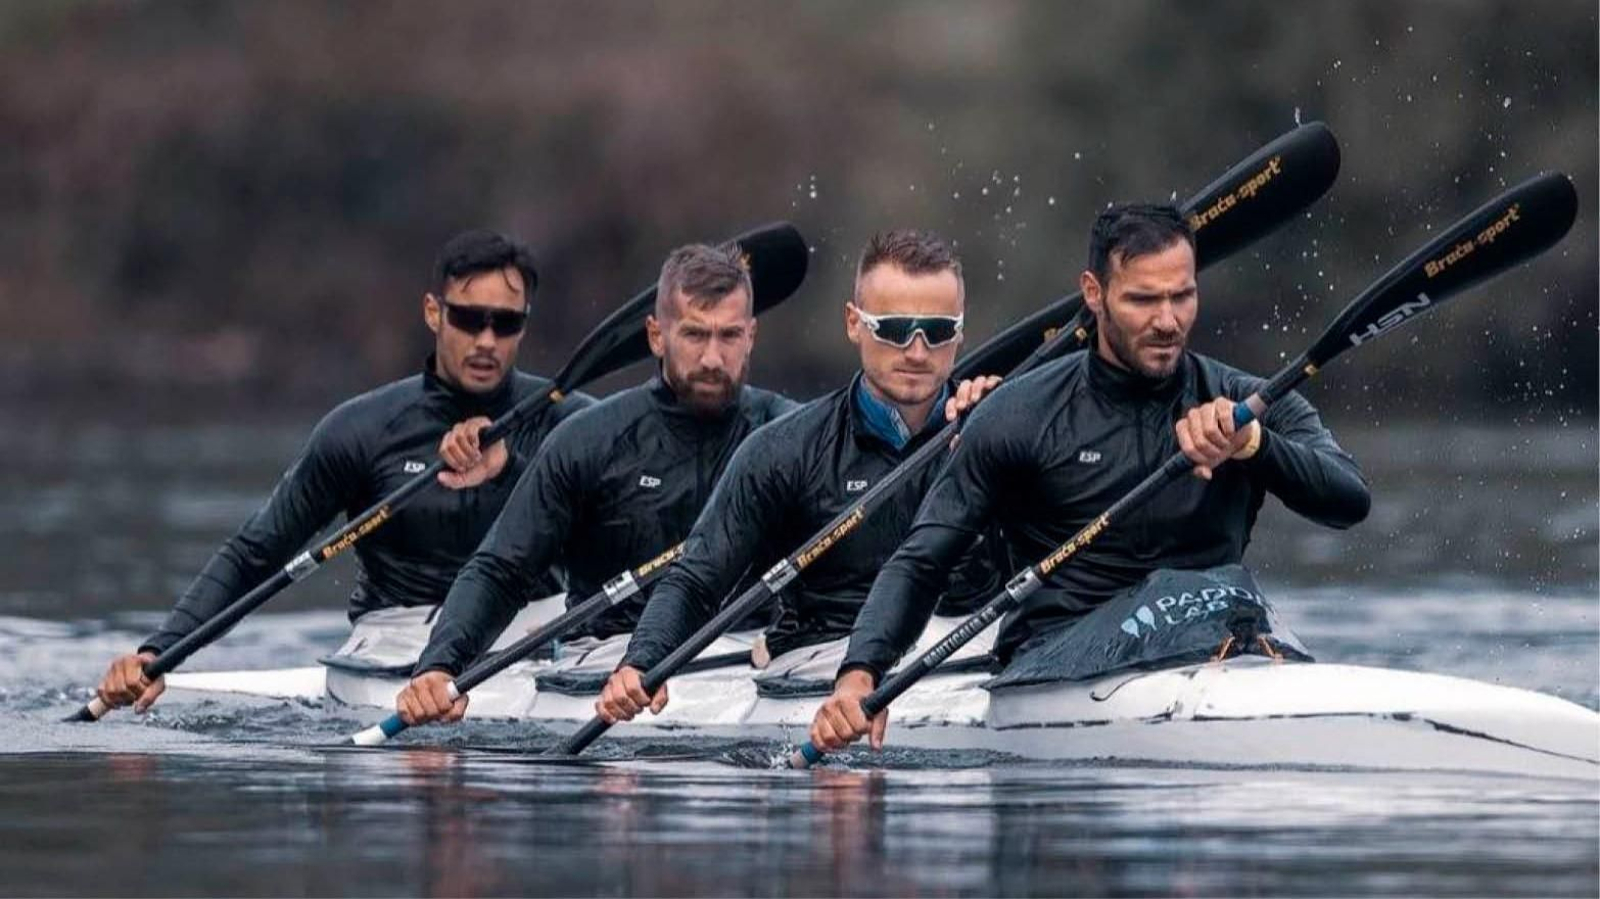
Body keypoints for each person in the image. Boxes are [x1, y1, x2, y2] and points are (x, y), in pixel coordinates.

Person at [808, 203, 1372, 752]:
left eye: (1182, 296)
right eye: (1143, 299)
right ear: (1094, 294)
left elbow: (1349, 499)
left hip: (1219, 646)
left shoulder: (1244, 404)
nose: (1168, 320)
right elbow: (923, 559)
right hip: (1058, 670)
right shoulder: (1020, 414)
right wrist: (860, 676)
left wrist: (1253, 445)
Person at [95, 229, 592, 712]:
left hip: (532, 632)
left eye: (505, 324)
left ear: (524, 326)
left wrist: (513, 469)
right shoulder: (362, 430)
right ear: (433, 313)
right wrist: (160, 652)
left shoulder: (571, 424)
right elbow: (257, 553)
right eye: (469, 319)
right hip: (398, 638)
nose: (486, 340)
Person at [597, 229, 1005, 725]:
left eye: (938, 331)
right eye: (895, 329)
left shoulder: (1001, 429)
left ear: (961, 332)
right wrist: (642, 660)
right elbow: (698, 580)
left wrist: (1007, 432)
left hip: (972, 653)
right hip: (821, 661)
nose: (918, 352)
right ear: (853, 324)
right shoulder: (783, 451)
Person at [396, 242, 797, 725]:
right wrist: (440, 666)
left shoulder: (792, 436)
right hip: (606, 664)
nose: (712, 357)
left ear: (752, 336)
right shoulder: (590, 439)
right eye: (694, 334)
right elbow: (502, 570)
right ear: (655, 335)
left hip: (754, 659)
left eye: (728, 336)